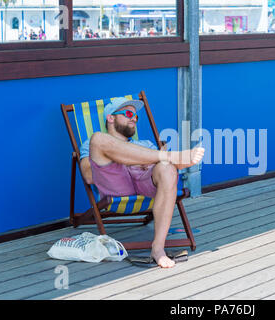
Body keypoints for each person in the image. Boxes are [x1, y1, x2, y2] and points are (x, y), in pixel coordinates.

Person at [79, 97, 205, 268]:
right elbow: (88, 176)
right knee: (98, 139)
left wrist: (148, 162)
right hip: (116, 184)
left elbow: (165, 171)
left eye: (136, 116)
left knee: (167, 169)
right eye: (129, 113)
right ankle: (170, 156)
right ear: (111, 117)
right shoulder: (93, 144)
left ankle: (158, 248)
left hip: (144, 183)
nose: (134, 118)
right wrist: (122, 159)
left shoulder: (144, 144)